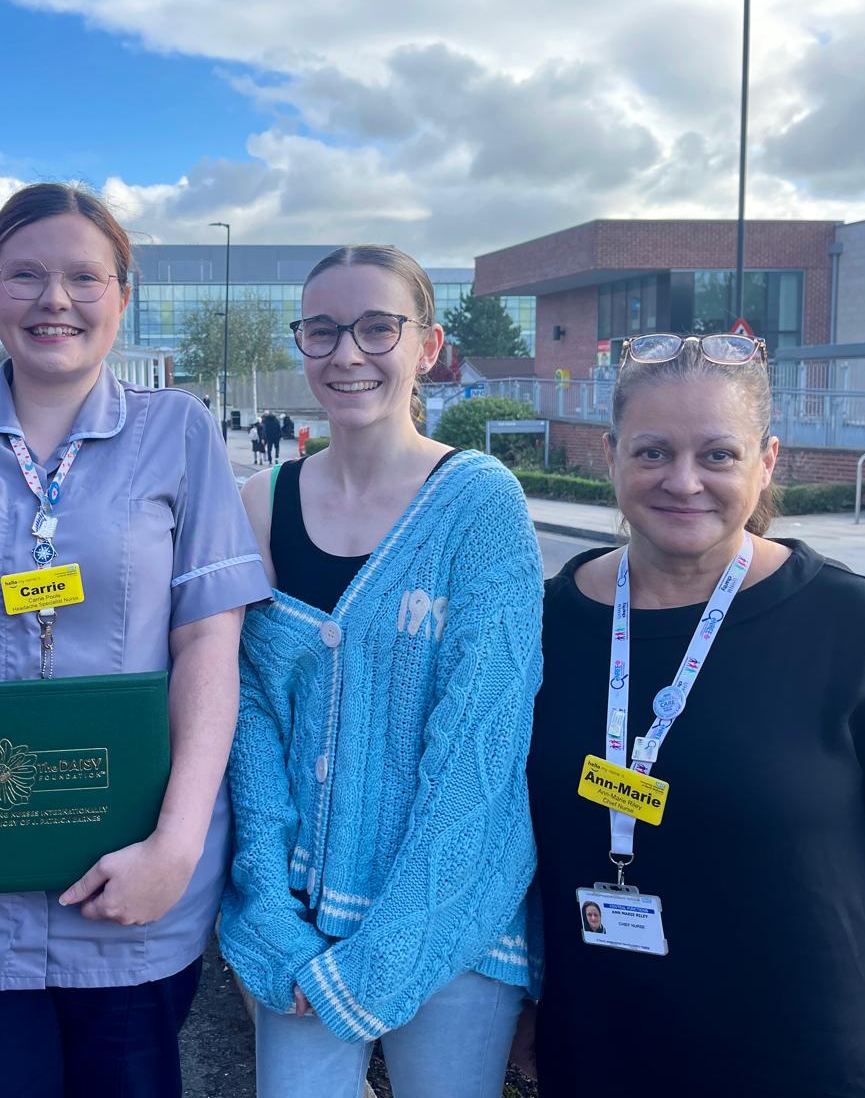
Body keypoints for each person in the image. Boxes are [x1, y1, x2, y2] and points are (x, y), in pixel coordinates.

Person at [0, 182, 270, 1097]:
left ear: (122, 295)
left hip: (131, 879)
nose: (53, 300)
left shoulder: (178, 434)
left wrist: (178, 849)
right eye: (25, 274)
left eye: (82, 277)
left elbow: (209, 647)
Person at [525, 332, 865, 1095]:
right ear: (610, 457)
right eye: (652, 452)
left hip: (825, 1068)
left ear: (767, 461)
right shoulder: (541, 629)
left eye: (718, 455)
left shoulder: (863, 634)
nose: (683, 481)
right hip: (608, 1061)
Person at [221, 245, 542, 1097]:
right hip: (302, 917)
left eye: (376, 328)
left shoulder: (480, 503)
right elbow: (249, 721)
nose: (347, 354)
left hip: (453, 918)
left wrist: (392, 951)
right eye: (322, 331)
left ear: (428, 346)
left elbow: (484, 738)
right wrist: (268, 908)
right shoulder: (261, 502)